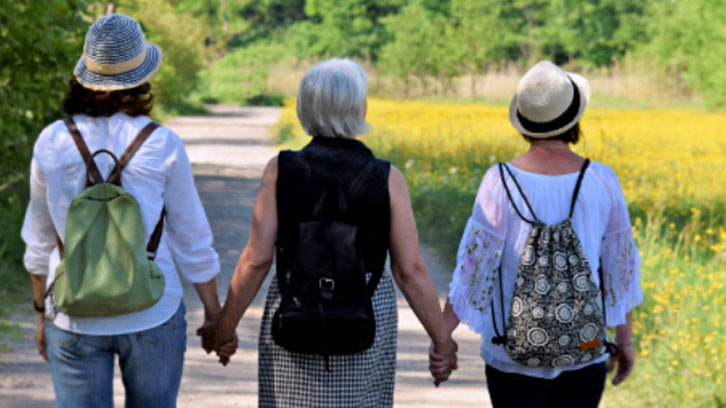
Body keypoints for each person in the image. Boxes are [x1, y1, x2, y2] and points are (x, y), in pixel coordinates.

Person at [197, 58, 458, 407]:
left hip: (296, 304)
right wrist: (442, 341)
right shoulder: (387, 177)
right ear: (359, 107)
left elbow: (256, 261)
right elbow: (409, 270)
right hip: (364, 310)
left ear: (305, 109)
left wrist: (224, 327)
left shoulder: (281, 170)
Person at [21, 14, 223, 407]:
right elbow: (192, 238)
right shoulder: (162, 144)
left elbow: (38, 240)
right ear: (142, 77)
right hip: (152, 310)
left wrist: (41, 313)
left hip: (74, 313)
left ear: (83, 76)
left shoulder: (52, 141)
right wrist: (215, 317)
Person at [435, 61, 643, 407]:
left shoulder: (498, 181)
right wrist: (624, 341)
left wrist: (441, 340)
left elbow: (474, 272)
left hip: (511, 357)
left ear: (524, 123)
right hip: (585, 350)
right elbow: (619, 272)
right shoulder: (602, 180)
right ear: (574, 119)